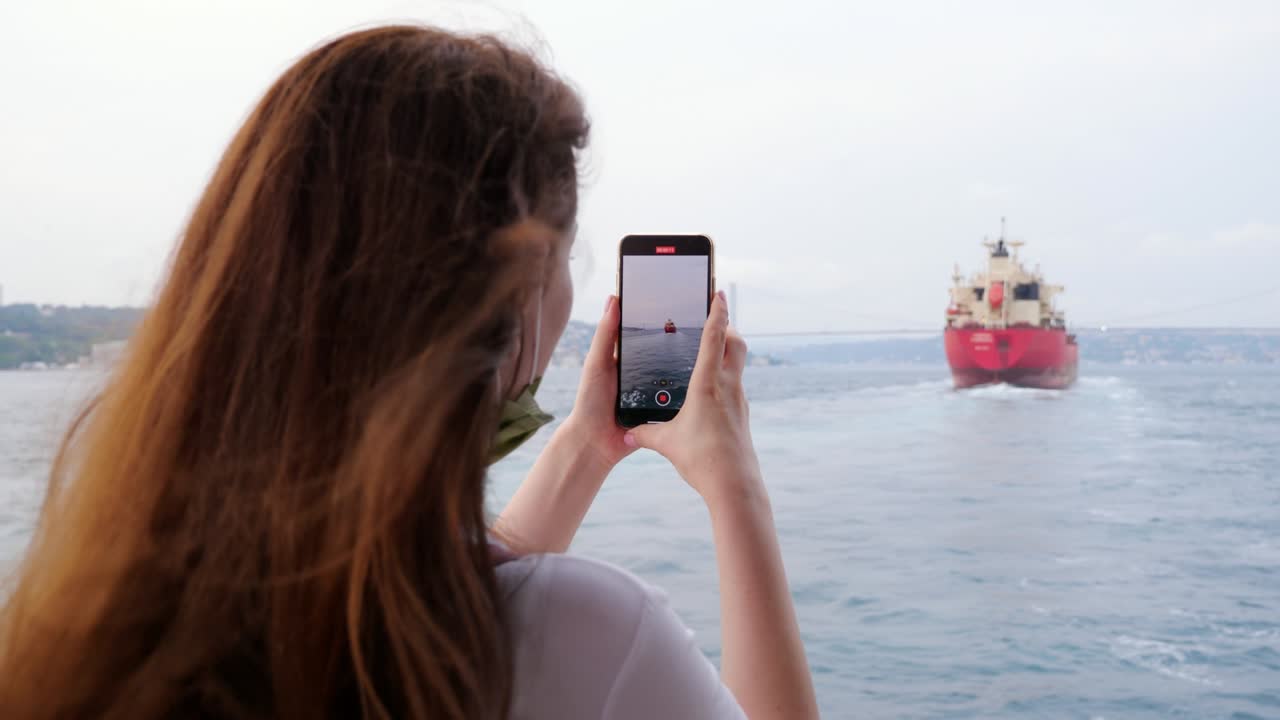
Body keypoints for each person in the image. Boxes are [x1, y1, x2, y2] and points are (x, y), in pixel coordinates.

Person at [0, 25, 818, 720]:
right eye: (565, 257)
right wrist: (733, 485)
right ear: (513, 299)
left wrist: (583, 447)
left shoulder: (89, 623)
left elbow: (425, 589)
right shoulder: (595, 636)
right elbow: (506, 618)